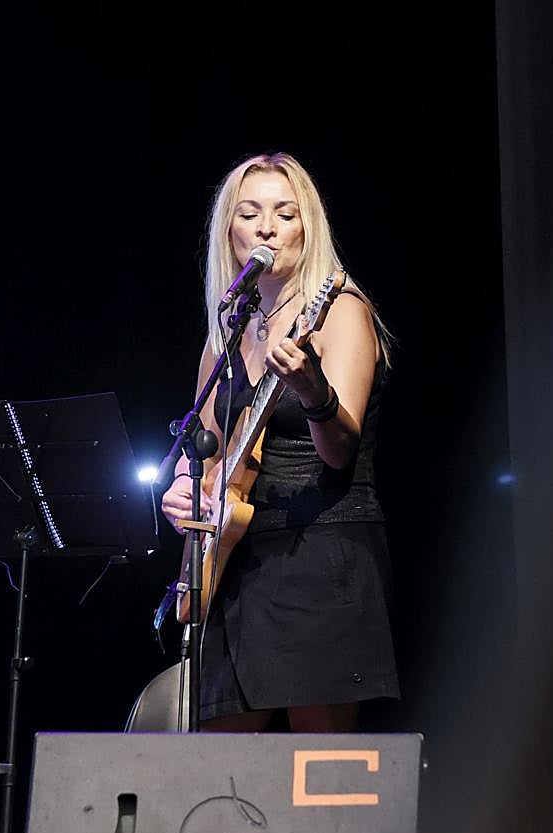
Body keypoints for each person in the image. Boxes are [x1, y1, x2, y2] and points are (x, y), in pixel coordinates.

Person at [159, 152, 399, 733]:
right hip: (237, 565)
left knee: (315, 781)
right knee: (220, 781)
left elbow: (339, 448)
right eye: (251, 212)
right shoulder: (226, 333)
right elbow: (207, 448)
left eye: (284, 213)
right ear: (231, 230)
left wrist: (312, 389)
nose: (267, 226)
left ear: (305, 227)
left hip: (320, 555)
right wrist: (186, 486)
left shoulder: (339, 311)